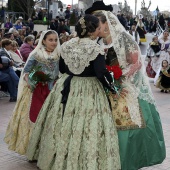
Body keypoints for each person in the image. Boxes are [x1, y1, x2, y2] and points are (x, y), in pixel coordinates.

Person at [26, 15, 121, 170]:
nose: (100, 31)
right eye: (98, 29)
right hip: (88, 89)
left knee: (62, 122)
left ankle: (56, 157)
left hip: (66, 86)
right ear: (93, 31)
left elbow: (62, 69)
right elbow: (100, 73)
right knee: (86, 125)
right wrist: (113, 88)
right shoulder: (95, 48)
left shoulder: (67, 45)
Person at [85, 1, 166, 170]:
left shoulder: (123, 38)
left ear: (106, 22)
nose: (96, 29)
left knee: (130, 124)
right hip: (106, 85)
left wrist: (120, 74)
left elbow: (136, 63)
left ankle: (129, 160)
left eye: (98, 25)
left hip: (124, 84)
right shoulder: (98, 42)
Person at [4, 30, 61, 155]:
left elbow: (60, 72)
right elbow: (27, 71)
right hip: (36, 90)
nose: (54, 42)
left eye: (56, 40)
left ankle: (47, 151)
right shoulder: (36, 54)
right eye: (50, 40)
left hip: (53, 90)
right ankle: (33, 150)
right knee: (35, 118)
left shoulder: (58, 55)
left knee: (50, 120)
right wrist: (31, 81)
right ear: (44, 41)